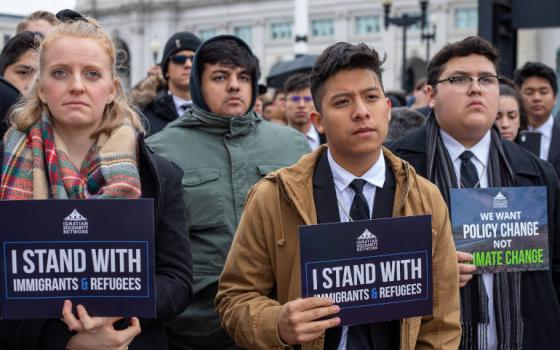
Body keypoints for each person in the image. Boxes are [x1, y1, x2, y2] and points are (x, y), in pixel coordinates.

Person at [215, 41, 461, 350]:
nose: (360, 112)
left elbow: (441, 324)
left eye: (371, 98)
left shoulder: (425, 199)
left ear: (386, 109)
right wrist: (276, 323)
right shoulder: (274, 198)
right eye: (342, 102)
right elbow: (233, 300)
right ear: (318, 120)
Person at [0, 11, 193, 350]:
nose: (77, 85)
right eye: (60, 73)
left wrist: (115, 312)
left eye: (92, 73)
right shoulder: (6, 166)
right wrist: (67, 342)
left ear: (111, 89)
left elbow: (176, 282)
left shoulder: (159, 174)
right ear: (42, 88)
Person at [389, 36, 560, 349]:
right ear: (430, 94)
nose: (476, 88)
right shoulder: (394, 169)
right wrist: (428, 273)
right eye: (459, 79)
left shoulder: (534, 173)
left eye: (486, 79)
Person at [147, 35, 310, 350]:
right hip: (193, 329)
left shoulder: (291, 146)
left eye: (243, 77)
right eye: (220, 77)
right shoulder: (161, 149)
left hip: (278, 325)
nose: (234, 86)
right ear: (197, 85)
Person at [141, 32, 201, 136]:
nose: (188, 64)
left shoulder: (217, 111)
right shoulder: (144, 117)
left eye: (194, 59)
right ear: (166, 70)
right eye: (179, 59)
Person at [514, 62, 560, 175]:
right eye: (529, 92)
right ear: (517, 96)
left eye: (543, 92)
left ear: (555, 98)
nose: (536, 98)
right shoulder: (509, 134)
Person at [283, 72, 326, 150]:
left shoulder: (329, 138)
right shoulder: (275, 139)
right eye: (295, 99)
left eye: (307, 99)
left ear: (315, 103)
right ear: (284, 104)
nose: (301, 105)